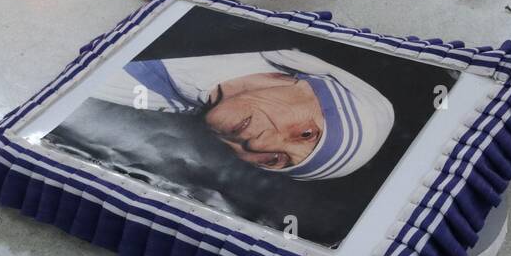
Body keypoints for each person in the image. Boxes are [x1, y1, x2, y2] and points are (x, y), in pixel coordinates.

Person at [92, 50, 395, 180]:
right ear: (308, 85)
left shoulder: (134, 106)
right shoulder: (246, 32)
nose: (260, 147)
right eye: (306, 134)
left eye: (275, 161)